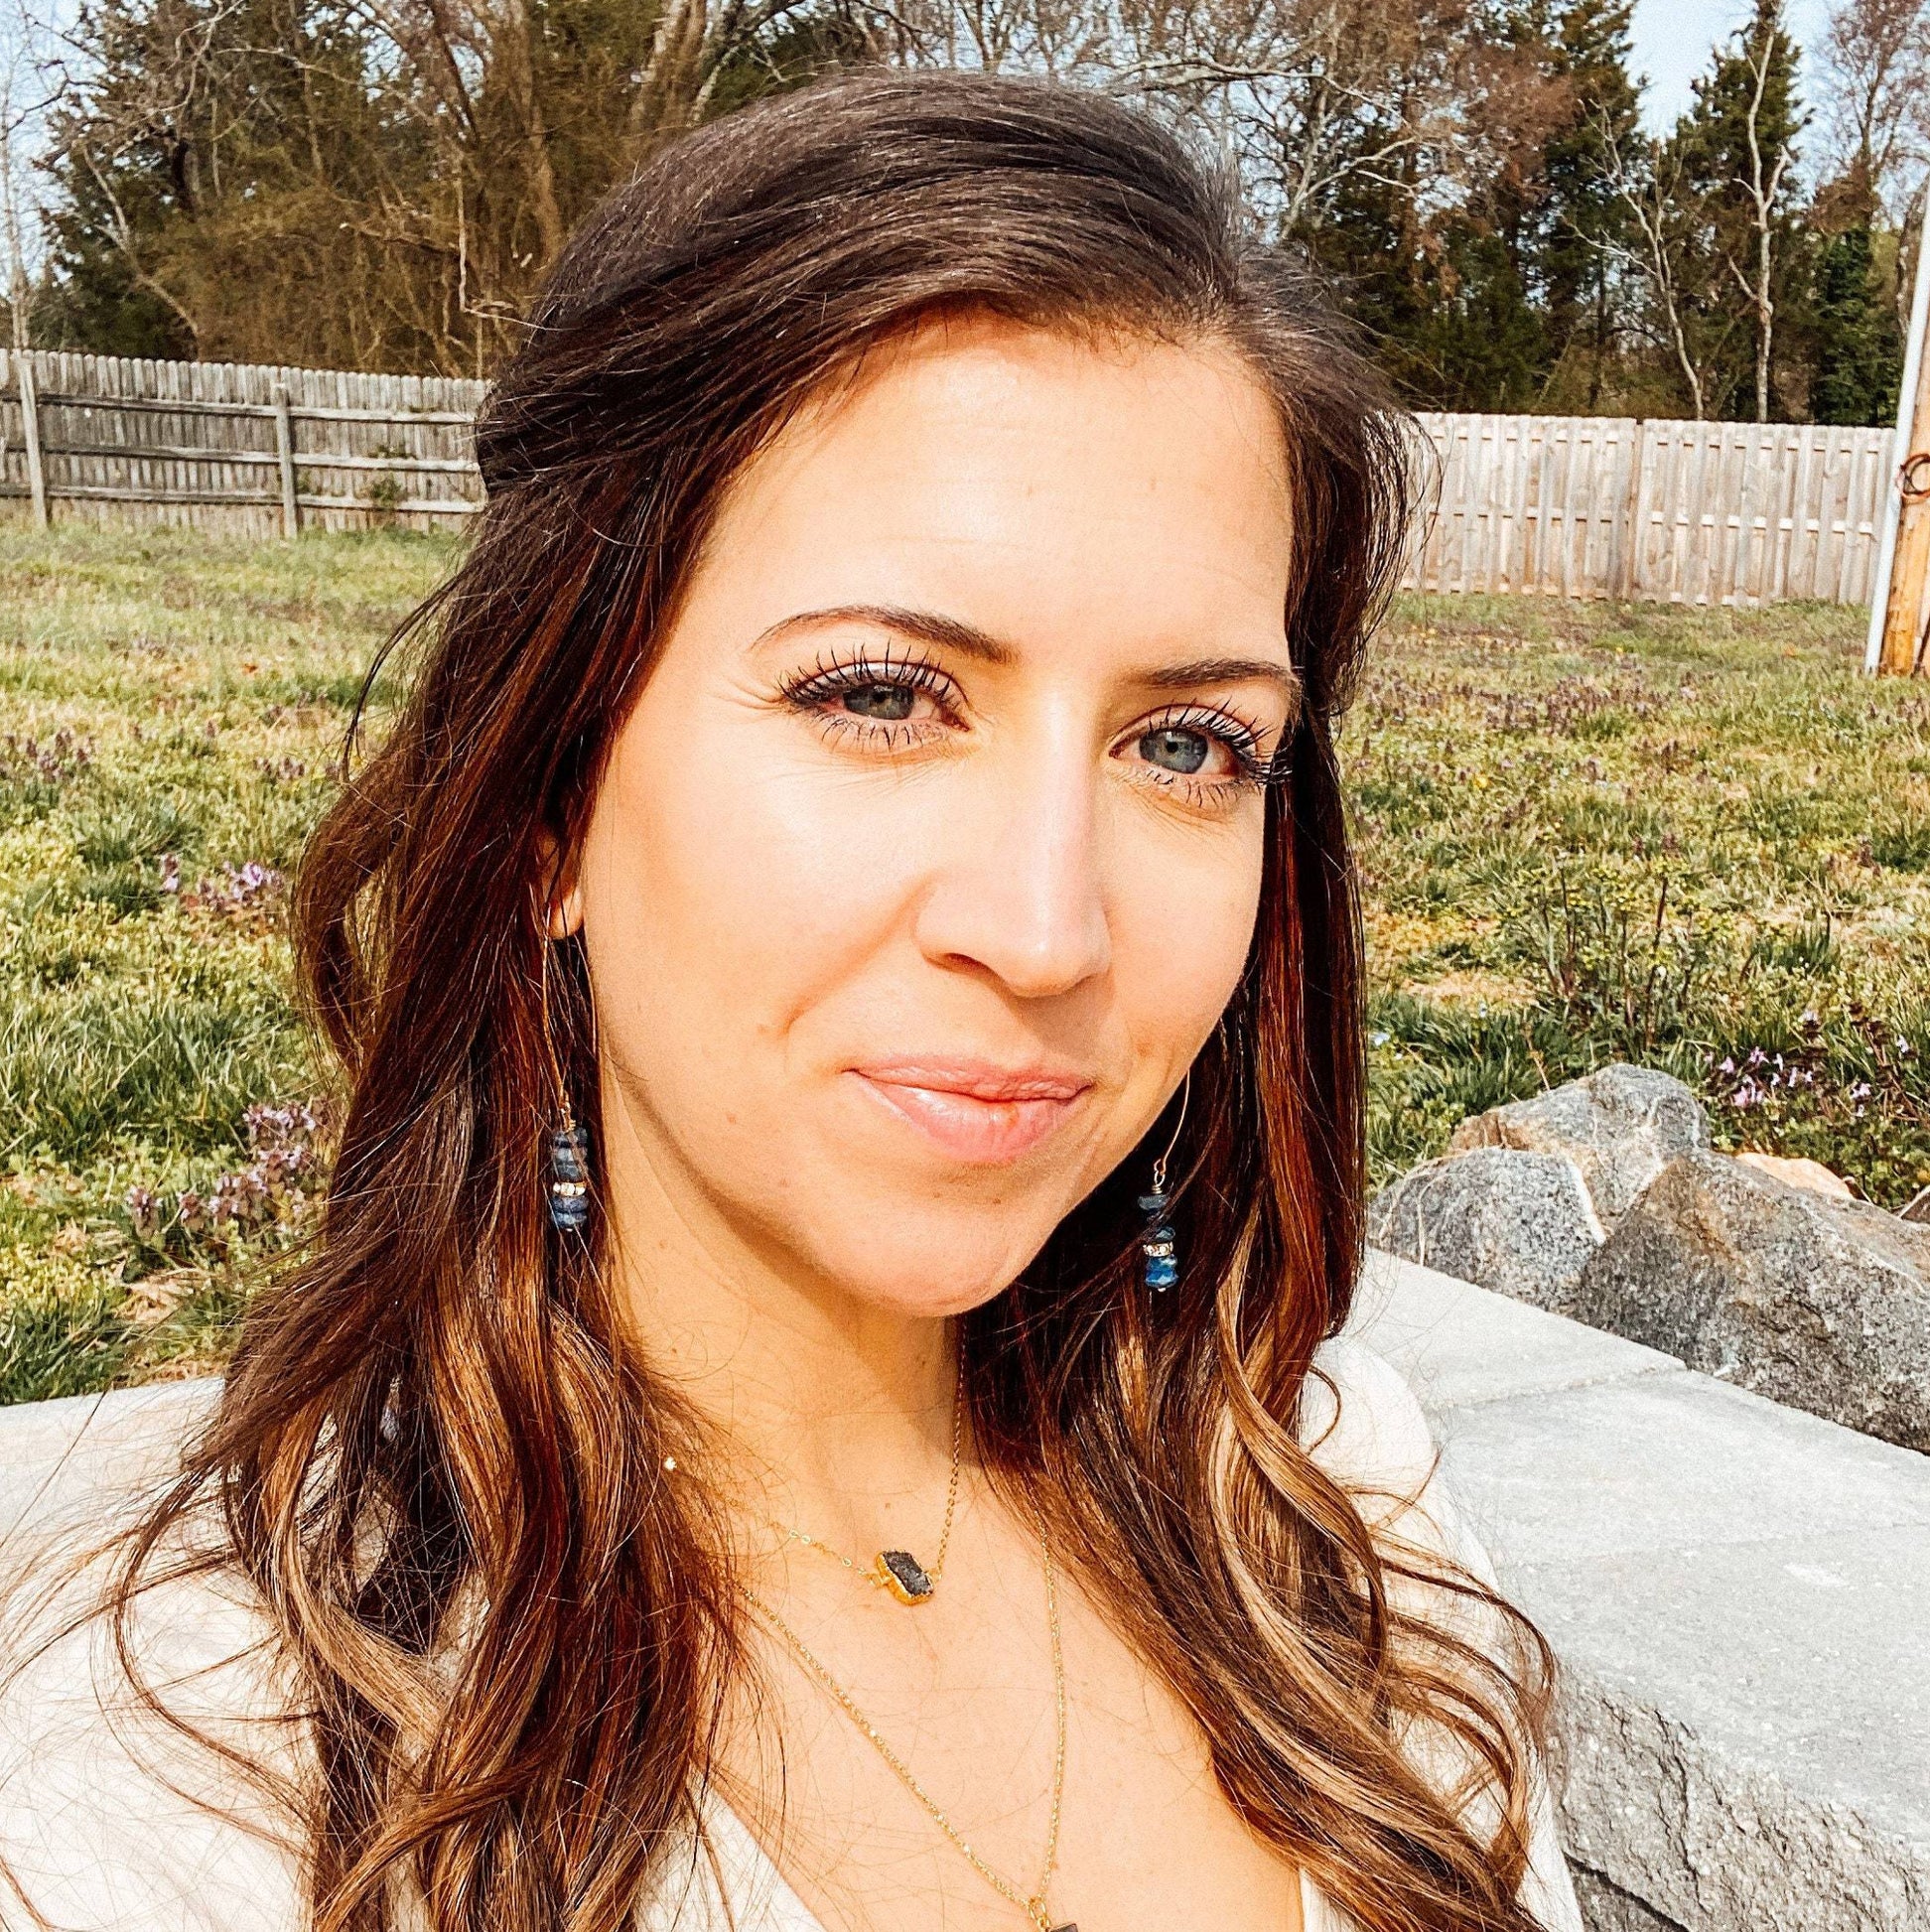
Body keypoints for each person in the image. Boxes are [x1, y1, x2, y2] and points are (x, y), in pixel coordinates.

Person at [0, 70, 1583, 1932]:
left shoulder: (1334, 1520)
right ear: (550, 803)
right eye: (880, 696)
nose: (1049, 927)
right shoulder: (206, 1766)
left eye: (1186, 742)